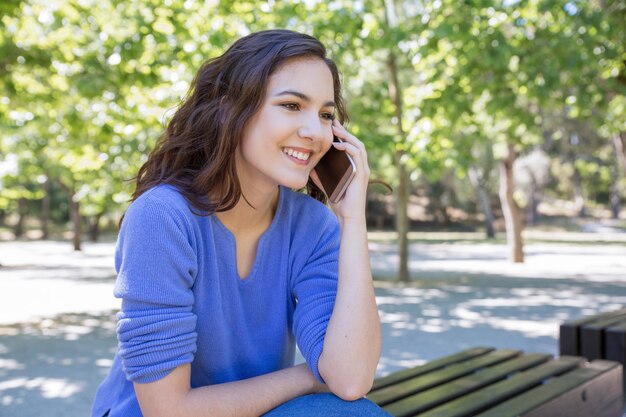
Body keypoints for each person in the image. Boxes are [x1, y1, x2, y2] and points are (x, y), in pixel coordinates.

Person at [91, 29, 390, 417]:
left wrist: (353, 221)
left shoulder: (312, 226)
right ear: (231, 108)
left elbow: (349, 380)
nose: (315, 132)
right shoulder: (162, 216)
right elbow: (168, 410)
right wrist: (308, 377)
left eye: (325, 115)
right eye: (291, 105)